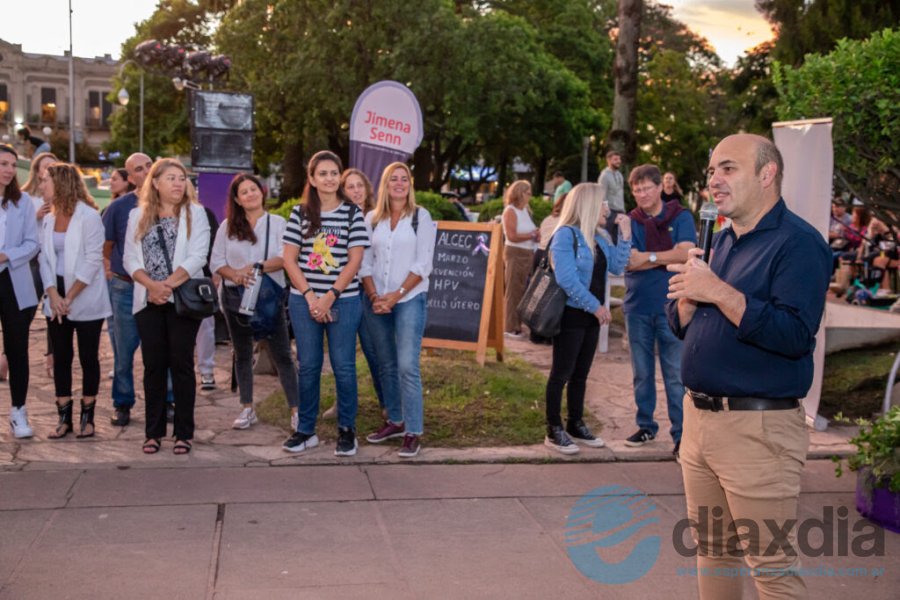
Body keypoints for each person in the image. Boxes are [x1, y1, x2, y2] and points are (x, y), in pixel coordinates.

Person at [666, 133, 831, 599]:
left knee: (771, 568)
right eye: (712, 170)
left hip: (757, 429)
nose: (714, 180)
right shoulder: (718, 241)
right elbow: (687, 325)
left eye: (728, 168)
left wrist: (716, 290)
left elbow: (794, 335)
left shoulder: (798, 244)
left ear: (767, 173)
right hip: (699, 422)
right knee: (713, 550)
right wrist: (684, 304)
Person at [281, 150, 369, 456]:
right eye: (323, 173)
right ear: (312, 178)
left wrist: (330, 296)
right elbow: (289, 260)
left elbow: (354, 260)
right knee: (309, 367)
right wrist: (310, 297)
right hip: (304, 303)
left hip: (343, 302)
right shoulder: (299, 213)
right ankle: (306, 430)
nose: (329, 178)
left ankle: (347, 430)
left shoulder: (352, 213)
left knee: (344, 367)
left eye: (334, 173)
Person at [123, 158, 210, 455]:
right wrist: (151, 287)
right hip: (147, 301)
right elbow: (129, 259)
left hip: (182, 300)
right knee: (153, 367)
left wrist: (167, 286)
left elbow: (198, 255)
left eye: (182, 178)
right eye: (171, 178)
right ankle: (153, 432)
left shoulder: (195, 214)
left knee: (182, 365)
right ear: (155, 183)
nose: (178, 183)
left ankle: (183, 433)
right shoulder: (137, 216)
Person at [543, 183, 631, 454]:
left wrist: (626, 236)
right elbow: (567, 279)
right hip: (571, 314)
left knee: (581, 374)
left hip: (592, 316)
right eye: (603, 203)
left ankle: (575, 423)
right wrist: (596, 306)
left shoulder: (600, 236)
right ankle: (553, 428)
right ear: (590, 205)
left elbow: (617, 265)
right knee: (561, 373)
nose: (608, 207)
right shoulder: (565, 235)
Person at [211, 173, 299, 431]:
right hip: (235, 296)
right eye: (244, 192)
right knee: (242, 353)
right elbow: (216, 261)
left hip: (268, 298)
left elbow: (286, 257)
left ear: (262, 192)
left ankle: (295, 410)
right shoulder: (227, 226)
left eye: (253, 189)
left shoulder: (279, 223)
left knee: (282, 354)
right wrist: (236, 274)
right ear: (237, 200)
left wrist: (257, 267)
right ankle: (247, 407)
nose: (250, 194)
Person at [360, 162, 436, 457]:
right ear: (385, 184)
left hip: (409, 299)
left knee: (407, 364)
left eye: (404, 179)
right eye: (394, 178)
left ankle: (413, 430)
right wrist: (375, 295)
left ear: (410, 184)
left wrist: (395, 296)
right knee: (386, 363)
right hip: (376, 299)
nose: (400, 183)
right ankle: (395, 420)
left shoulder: (421, 217)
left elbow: (423, 264)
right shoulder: (372, 218)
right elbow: (364, 261)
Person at [623, 164, 696, 459]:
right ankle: (645, 425)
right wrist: (664, 258)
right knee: (642, 373)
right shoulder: (630, 221)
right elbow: (627, 260)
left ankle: (682, 436)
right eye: (636, 190)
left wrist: (649, 257)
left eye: (646, 188)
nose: (641, 194)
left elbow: (686, 252)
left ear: (659, 188)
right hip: (637, 306)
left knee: (675, 375)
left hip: (673, 305)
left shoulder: (680, 217)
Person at [38, 162, 111, 439]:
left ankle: (88, 418)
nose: (42, 185)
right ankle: (64, 418)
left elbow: (94, 259)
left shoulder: (89, 216)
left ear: (61, 183)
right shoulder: (47, 218)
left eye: (46, 180)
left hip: (84, 293)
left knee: (88, 357)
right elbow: (44, 257)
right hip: (55, 294)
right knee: (61, 357)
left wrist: (69, 296)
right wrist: (53, 294)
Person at [330, 167, 385, 420]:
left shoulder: (379, 217)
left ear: (367, 188)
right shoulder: (337, 218)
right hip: (345, 292)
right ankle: (342, 403)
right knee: (343, 353)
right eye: (350, 186)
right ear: (343, 191)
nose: (356, 190)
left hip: (371, 292)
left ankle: (387, 403)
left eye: (359, 185)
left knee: (375, 350)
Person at [102, 153, 152, 427]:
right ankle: (122, 403)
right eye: (138, 170)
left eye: (149, 166)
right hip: (125, 286)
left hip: (158, 289)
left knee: (159, 348)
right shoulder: (119, 207)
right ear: (130, 178)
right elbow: (106, 244)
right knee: (123, 350)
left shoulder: (169, 203)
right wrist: (111, 270)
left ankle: (166, 399)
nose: (145, 172)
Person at [0, 144, 40, 438]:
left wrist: (6, 255)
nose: (9, 170)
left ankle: (18, 412)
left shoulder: (23, 201)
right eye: (3, 164)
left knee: (17, 349)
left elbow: (32, 243)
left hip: (13, 281)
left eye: (13, 164)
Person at [22, 151, 59, 377]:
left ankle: (52, 357)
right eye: (45, 167)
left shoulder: (63, 198)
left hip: (55, 261)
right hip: (33, 261)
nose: (48, 171)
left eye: (53, 167)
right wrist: (36, 215)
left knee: (54, 312)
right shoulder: (25, 197)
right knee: (25, 310)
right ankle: (9, 354)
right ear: (36, 171)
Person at [502, 180, 539, 338]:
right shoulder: (510, 211)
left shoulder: (525, 211)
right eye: (527, 192)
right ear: (519, 193)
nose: (530, 195)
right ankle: (510, 326)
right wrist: (531, 235)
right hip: (515, 253)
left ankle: (518, 323)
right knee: (513, 290)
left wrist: (535, 235)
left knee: (523, 290)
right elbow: (512, 236)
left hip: (528, 252)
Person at [529, 193, 567, 345]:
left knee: (538, 295)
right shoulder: (566, 221)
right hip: (552, 256)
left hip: (539, 254)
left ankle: (535, 333)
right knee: (552, 296)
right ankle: (548, 332)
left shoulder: (548, 218)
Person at [196, 205, 220, 391]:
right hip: (172, 281)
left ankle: (206, 370)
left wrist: (215, 273)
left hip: (202, 279)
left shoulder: (204, 212)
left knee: (206, 327)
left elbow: (214, 244)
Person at [598, 150, 625, 243]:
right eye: (615, 159)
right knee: (609, 239)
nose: (619, 161)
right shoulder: (604, 176)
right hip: (610, 212)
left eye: (619, 159)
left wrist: (623, 210)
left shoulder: (620, 175)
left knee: (620, 239)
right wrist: (607, 213)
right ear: (608, 160)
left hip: (620, 211)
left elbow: (620, 194)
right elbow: (602, 195)